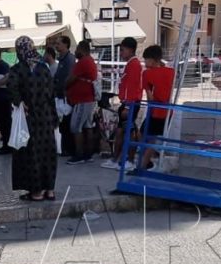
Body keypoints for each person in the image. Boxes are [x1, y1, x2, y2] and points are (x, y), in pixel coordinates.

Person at [7, 35, 57, 201]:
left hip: (28, 118)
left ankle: (36, 192)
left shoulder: (17, 70)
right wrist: (54, 116)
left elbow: (12, 90)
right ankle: (49, 189)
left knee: (31, 153)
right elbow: (51, 93)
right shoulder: (44, 68)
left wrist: (20, 102)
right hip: (46, 117)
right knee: (48, 152)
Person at [102, 36, 144, 168]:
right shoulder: (131, 65)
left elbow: (132, 87)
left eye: (123, 50)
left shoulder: (134, 65)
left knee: (130, 133)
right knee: (120, 131)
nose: (120, 53)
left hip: (130, 104)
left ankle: (130, 161)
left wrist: (127, 106)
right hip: (126, 103)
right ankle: (116, 159)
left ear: (131, 50)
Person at [138, 44, 176, 172]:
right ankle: (151, 158)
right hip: (167, 111)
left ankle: (144, 164)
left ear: (152, 60)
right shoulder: (171, 72)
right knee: (149, 136)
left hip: (155, 110)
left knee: (147, 136)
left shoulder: (147, 74)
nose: (144, 63)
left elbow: (150, 97)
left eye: (146, 60)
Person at [64, 40, 99, 164]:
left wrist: (65, 86)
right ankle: (88, 154)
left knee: (75, 126)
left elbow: (71, 79)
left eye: (77, 48)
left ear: (82, 49)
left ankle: (79, 155)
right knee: (87, 126)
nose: (75, 51)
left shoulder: (83, 62)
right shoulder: (90, 61)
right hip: (88, 99)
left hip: (82, 100)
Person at [52, 34, 76, 159]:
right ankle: (65, 148)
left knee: (67, 123)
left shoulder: (69, 60)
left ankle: (70, 149)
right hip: (60, 96)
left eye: (58, 43)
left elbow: (69, 77)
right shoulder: (61, 59)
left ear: (66, 44)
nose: (56, 46)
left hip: (67, 97)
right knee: (63, 124)